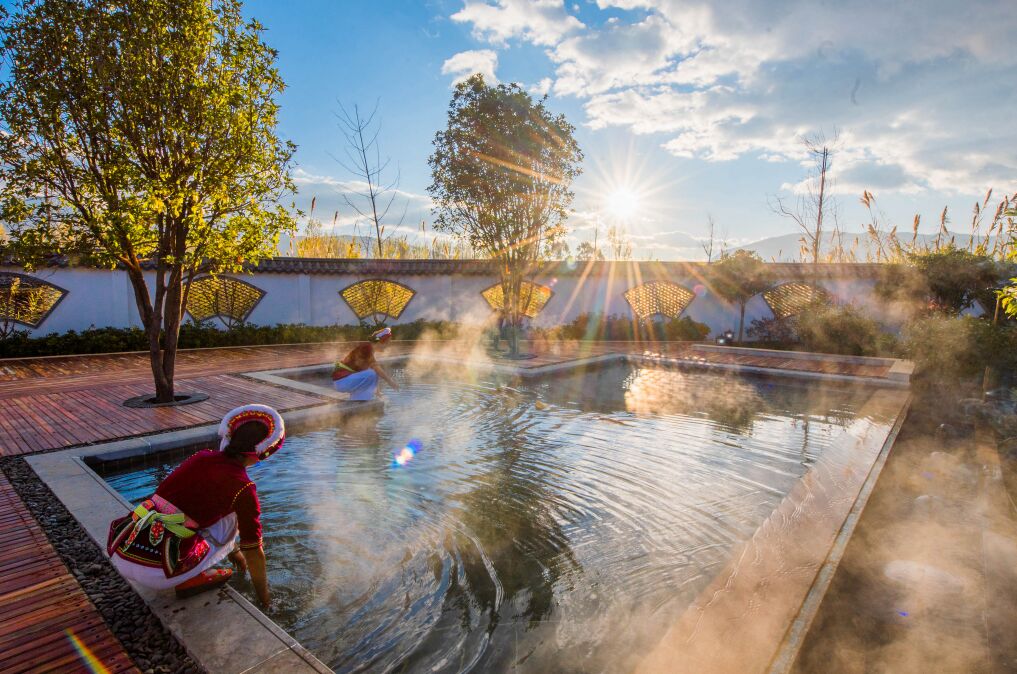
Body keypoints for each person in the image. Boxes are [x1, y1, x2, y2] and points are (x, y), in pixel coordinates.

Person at [107, 404, 284, 606]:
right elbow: (253, 549)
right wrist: (265, 600)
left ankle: (193, 569)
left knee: (190, 513)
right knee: (234, 517)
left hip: (126, 550)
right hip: (161, 570)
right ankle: (190, 579)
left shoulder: (202, 457)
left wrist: (234, 554)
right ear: (263, 451)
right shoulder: (244, 486)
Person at [332, 327, 400, 400]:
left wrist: (378, 392)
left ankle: (357, 400)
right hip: (343, 381)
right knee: (373, 373)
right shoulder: (367, 348)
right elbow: (376, 369)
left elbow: (372, 376)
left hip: (343, 381)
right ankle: (361, 400)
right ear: (380, 342)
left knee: (372, 373)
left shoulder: (368, 349)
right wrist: (391, 382)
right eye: (387, 343)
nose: (387, 346)